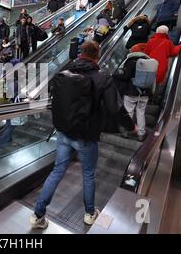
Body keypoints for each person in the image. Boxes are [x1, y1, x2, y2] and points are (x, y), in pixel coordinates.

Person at [30, 41, 120, 229]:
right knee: (87, 174)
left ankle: (38, 214)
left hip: (63, 132)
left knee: (57, 171)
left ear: (81, 53)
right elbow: (113, 109)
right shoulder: (103, 77)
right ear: (98, 54)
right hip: (86, 136)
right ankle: (89, 214)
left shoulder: (66, 71)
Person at [113, 49, 154, 142]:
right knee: (141, 112)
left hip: (131, 92)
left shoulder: (131, 61)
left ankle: (126, 131)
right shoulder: (149, 62)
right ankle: (141, 134)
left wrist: (115, 75)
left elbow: (126, 76)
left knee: (129, 111)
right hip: (145, 93)